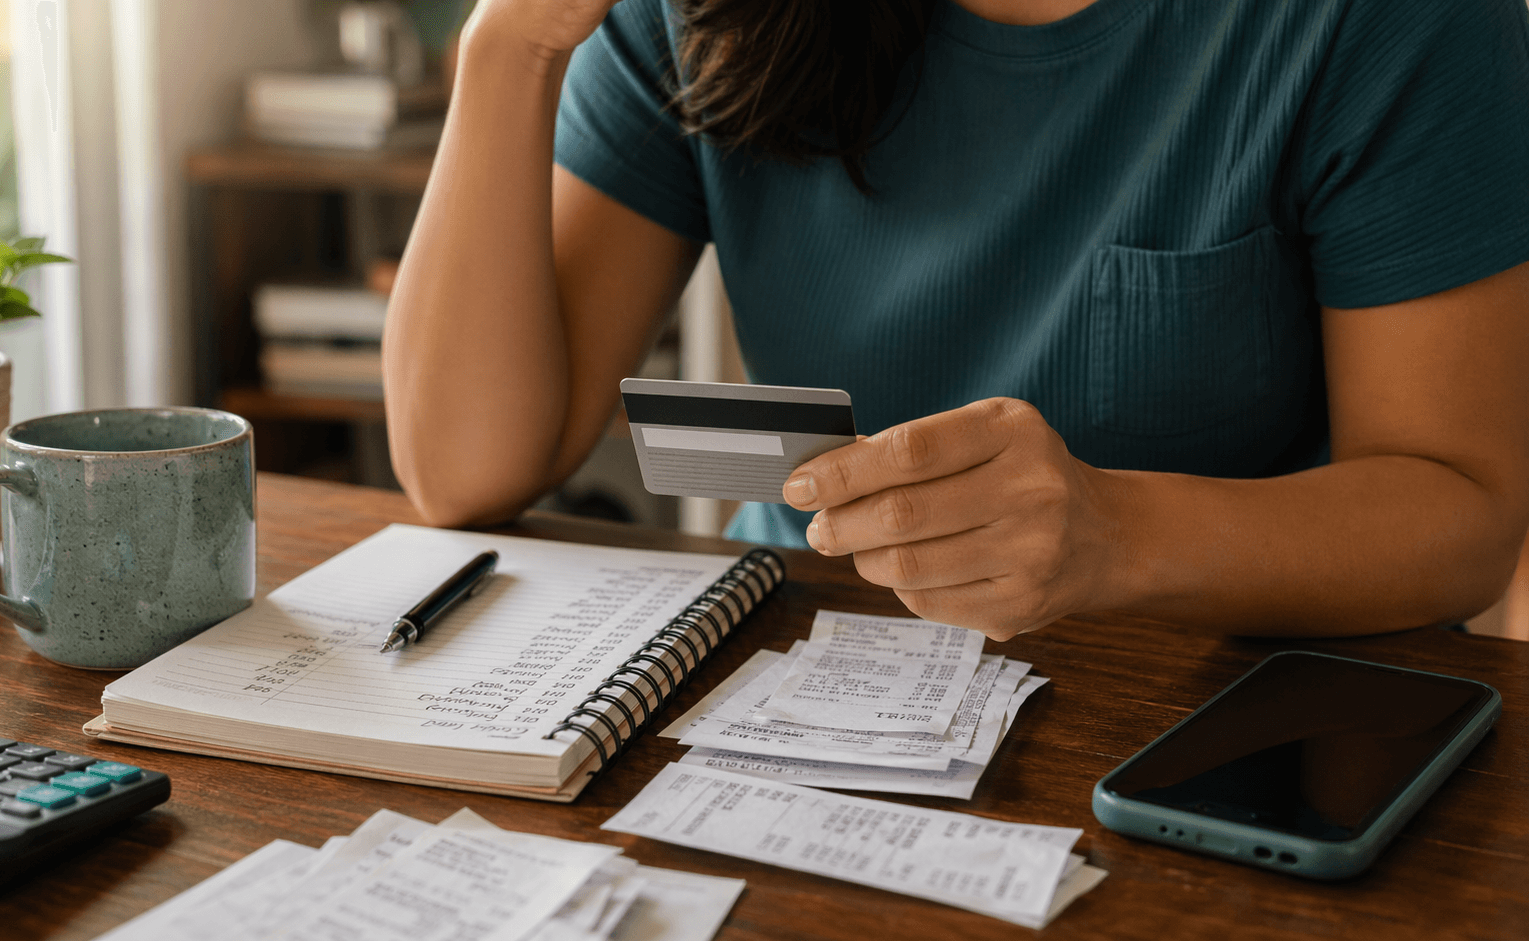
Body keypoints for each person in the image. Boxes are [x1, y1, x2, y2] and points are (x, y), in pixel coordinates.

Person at [381, 0, 1529, 642]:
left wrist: (1112, 532)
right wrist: (510, 46)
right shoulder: (695, 15)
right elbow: (464, 472)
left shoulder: (1386, 23)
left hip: (1225, 697)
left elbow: (1461, 514)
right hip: (802, 649)